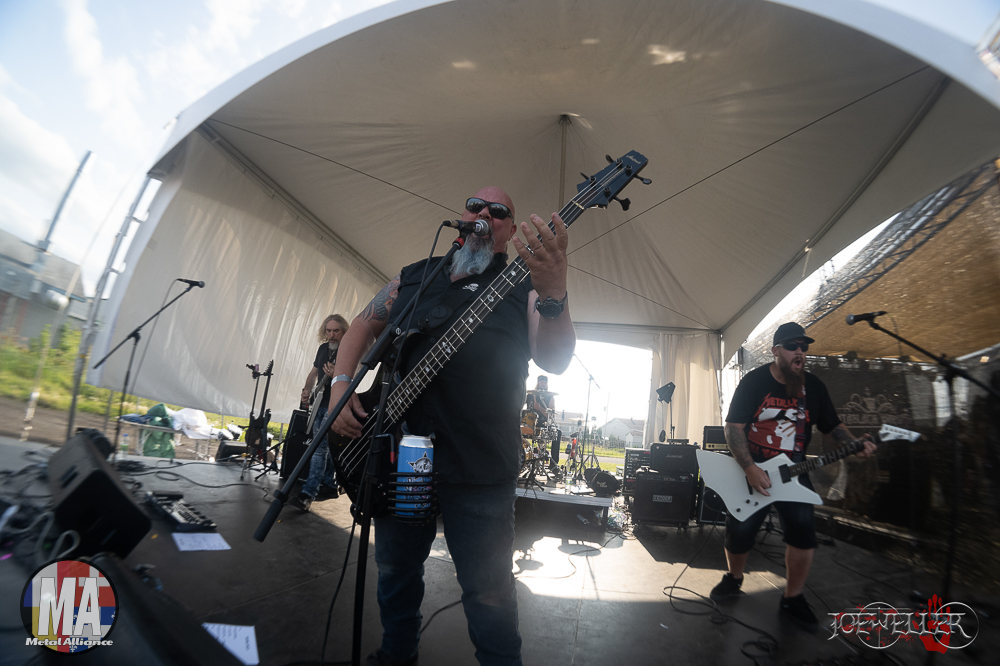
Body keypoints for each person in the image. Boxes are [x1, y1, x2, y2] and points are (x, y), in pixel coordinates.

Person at [329, 187, 575, 666]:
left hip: (479, 464)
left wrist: (554, 294)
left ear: (509, 229)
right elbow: (361, 324)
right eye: (475, 205)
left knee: (489, 591)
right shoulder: (415, 276)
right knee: (396, 570)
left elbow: (555, 359)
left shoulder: (524, 286)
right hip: (401, 456)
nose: (485, 213)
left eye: (498, 211)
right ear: (462, 216)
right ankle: (396, 656)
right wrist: (341, 385)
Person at [709, 322, 876, 630]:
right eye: (792, 346)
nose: (799, 352)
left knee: (803, 535)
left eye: (804, 347)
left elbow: (832, 426)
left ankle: (793, 597)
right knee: (739, 532)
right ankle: (734, 577)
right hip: (754, 469)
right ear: (776, 351)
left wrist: (854, 444)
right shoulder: (754, 382)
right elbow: (733, 428)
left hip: (795, 472)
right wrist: (750, 468)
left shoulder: (814, 387)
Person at [290, 314, 349, 512]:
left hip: (335, 403)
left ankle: (308, 493)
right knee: (325, 446)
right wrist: (307, 390)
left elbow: (354, 375)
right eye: (328, 331)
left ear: (344, 331)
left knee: (318, 447)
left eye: (336, 331)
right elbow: (314, 372)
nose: (331, 335)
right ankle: (330, 485)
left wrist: (337, 375)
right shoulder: (323, 348)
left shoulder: (348, 350)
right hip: (319, 402)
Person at [526, 375, 560, 469]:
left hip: (543, 424)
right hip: (529, 423)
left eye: (545, 382)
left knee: (558, 433)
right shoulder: (530, 395)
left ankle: (554, 465)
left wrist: (540, 408)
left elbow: (552, 415)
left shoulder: (550, 397)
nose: (543, 384)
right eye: (541, 382)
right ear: (538, 383)